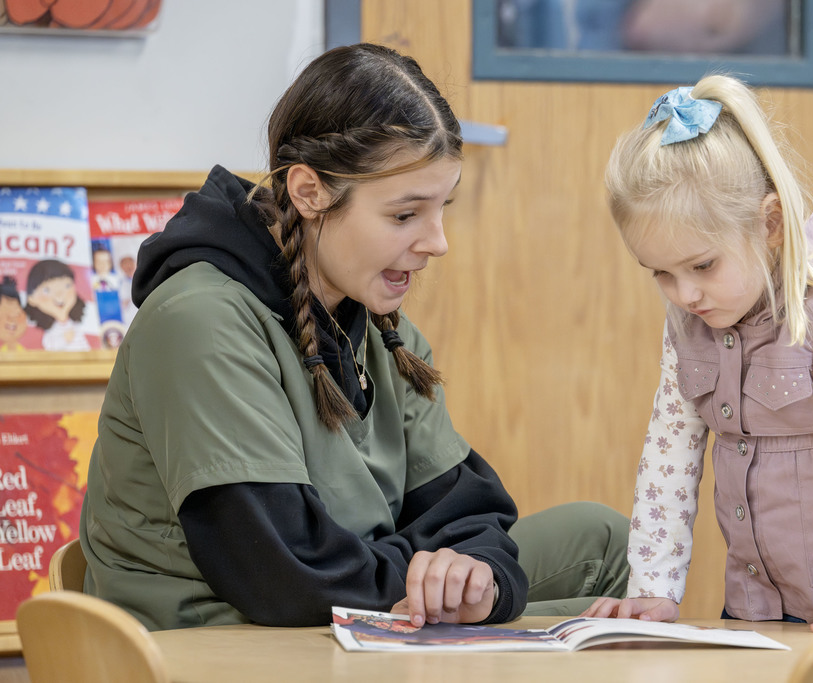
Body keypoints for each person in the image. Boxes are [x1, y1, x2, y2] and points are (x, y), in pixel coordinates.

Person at [79, 43, 627, 632]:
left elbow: (464, 509)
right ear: (309, 192)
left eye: (442, 207)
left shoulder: (385, 330)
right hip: (231, 633)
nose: (437, 242)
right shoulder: (200, 320)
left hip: (351, 597)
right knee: (590, 632)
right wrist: (422, 568)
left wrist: (473, 574)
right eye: (404, 215)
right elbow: (282, 574)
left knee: (606, 540)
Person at [582, 75, 813, 631]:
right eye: (662, 275)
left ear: (769, 224)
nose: (685, 294)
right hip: (757, 606)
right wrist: (653, 588)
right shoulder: (688, 322)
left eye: (702, 266)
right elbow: (668, 457)